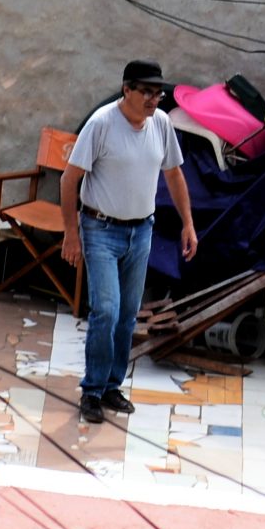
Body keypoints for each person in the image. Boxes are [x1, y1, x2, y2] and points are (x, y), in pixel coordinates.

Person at [59, 59, 196, 425]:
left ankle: (111, 387)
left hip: (141, 231)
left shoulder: (162, 124)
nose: (154, 99)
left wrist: (188, 223)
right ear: (127, 90)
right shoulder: (102, 124)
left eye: (158, 93)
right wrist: (71, 234)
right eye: (147, 91)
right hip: (100, 228)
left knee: (126, 315)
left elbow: (174, 174)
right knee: (105, 309)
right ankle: (91, 391)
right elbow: (69, 180)